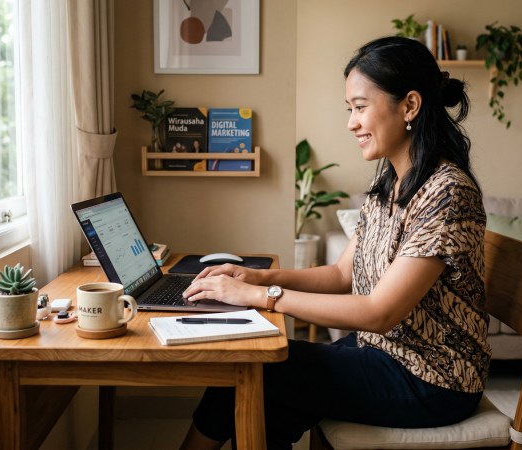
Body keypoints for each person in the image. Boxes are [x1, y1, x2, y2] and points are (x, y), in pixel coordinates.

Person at [180, 36, 491, 450]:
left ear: (410, 106)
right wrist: (259, 275)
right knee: (263, 392)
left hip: (433, 379)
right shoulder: (389, 186)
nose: (351, 123)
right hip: (385, 354)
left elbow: (379, 312)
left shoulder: (447, 192)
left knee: (257, 370)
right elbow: (342, 273)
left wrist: (260, 294)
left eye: (360, 107)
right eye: (351, 110)